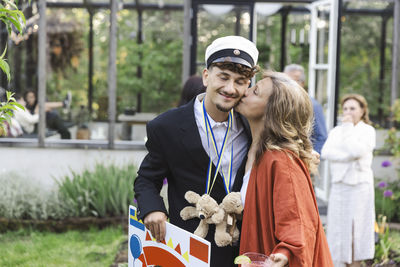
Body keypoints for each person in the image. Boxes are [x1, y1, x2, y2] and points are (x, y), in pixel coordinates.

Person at [134, 35, 259, 267]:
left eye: (240, 81)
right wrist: (152, 209)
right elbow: (146, 179)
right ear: (206, 76)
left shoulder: (255, 125)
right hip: (189, 247)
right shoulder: (166, 126)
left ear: (248, 85)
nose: (230, 88)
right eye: (223, 77)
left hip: (243, 247)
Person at [238, 71, 334, 267]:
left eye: (255, 91)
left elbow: (298, 219)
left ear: (273, 110)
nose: (245, 92)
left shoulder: (281, 160)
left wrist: (285, 252)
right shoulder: (251, 149)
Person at [321, 94, 376, 267]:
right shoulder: (337, 131)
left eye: (352, 108)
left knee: (357, 229)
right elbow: (327, 152)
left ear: (362, 110)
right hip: (340, 187)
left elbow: (357, 151)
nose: (348, 112)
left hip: (360, 187)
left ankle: (355, 263)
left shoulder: (368, 131)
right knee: (338, 229)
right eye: (345, 108)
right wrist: (348, 156)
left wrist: (348, 130)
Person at [284, 64, 327, 154]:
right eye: (285, 80)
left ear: (302, 83)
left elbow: (321, 137)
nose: (289, 84)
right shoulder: (277, 103)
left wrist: (310, 160)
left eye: (294, 81)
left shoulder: (312, 105)